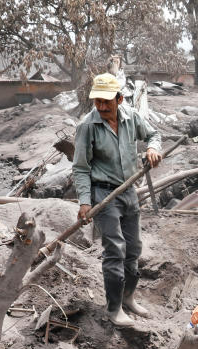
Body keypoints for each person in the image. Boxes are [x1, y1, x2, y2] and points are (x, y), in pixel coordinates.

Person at [72, 73, 162, 327]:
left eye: (106, 102)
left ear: (119, 99)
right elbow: (80, 167)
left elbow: (154, 135)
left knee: (133, 249)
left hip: (128, 191)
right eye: (97, 102)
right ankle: (113, 309)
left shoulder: (131, 117)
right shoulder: (87, 127)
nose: (101, 108)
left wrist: (153, 149)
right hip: (103, 193)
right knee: (115, 249)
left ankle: (128, 298)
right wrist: (85, 202)